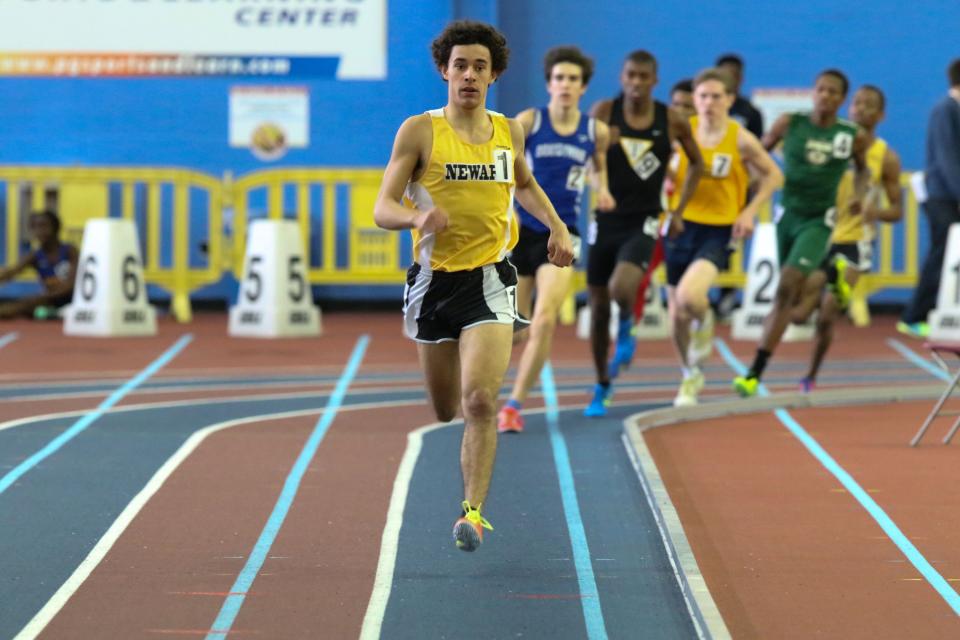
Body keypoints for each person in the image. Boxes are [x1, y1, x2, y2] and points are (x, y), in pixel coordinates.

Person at [373, 20, 573, 552]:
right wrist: (415, 219)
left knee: (481, 401)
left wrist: (556, 226)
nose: (468, 75)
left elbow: (524, 185)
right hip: (433, 285)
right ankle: (457, 389)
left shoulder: (510, 131)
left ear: (494, 75)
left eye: (479, 67)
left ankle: (473, 512)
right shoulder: (419, 130)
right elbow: (382, 207)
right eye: (459, 65)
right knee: (446, 410)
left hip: (491, 279)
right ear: (445, 70)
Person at [496, 46, 615, 434]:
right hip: (522, 233)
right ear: (549, 84)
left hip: (564, 235)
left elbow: (597, 169)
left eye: (573, 80)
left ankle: (513, 406)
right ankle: (485, 386)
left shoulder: (594, 131)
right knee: (514, 329)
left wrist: (604, 192)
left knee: (545, 319)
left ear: (583, 88)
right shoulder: (530, 121)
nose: (565, 85)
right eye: (559, 78)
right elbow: (504, 162)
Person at [733, 69, 869, 397]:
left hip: (818, 221)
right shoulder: (789, 124)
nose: (826, 96)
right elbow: (759, 154)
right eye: (821, 89)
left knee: (786, 284)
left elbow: (863, 169)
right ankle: (827, 274)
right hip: (787, 217)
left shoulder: (850, 135)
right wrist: (752, 179)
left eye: (834, 92)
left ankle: (754, 373)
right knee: (791, 304)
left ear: (841, 99)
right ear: (813, 92)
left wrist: (858, 197)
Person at [584, 50, 703, 417]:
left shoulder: (673, 120)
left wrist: (679, 210)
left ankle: (629, 326)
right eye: (630, 75)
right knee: (598, 307)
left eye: (643, 77)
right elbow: (588, 159)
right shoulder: (604, 112)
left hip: (645, 219)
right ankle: (602, 384)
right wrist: (599, 180)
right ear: (622, 77)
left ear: (655, 80)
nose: (636, 83)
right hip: (605, 219)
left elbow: (698, 163)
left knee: (623, 287)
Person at [665, 69, 782, 406]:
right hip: (681, 223)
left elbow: (774, 176)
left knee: (691, 296)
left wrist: (749, 211)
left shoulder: (740, 137)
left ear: (729, 100)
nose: (709, 103)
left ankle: (707, 317)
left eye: (716, 96)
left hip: (719, 227)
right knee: (675, 314)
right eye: (703, 96)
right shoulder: (682, 133)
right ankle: (689, 375)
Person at [791, 85, 902, 391]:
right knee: (800, 315)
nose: (860, 109)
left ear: (880, 115)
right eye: (857, 103)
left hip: (856, 240)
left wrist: (873, 213)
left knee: (828, 315)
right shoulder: (831, 144)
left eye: (869, 105)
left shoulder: (886, 157)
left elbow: (897, 211)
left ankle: (811, 375)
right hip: (822, 232)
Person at [898, 58, 960, 338]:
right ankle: (914, 315)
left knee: (949, 254)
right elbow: (948, 161)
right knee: (942, 251)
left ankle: (939, 309)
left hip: (952, 194)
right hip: (942, 196)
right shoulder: (945, 110)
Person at [629, 78, 696, 324]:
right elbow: (639, 172)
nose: (680, 111)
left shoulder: (705, 144)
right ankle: (630, 330)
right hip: (660, 220)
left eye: (688, 106)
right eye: (676, 104)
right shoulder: (660, 140)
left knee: (687, 290)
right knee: (639, 274)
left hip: (696, 222)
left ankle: (699, 321)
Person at [715, 54, 765, 320]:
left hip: (738, 188)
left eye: (734, 74)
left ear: (741, 78)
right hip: (708, 189)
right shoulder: (706, 108)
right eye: (724, 73)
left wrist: (755, 183)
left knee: (732, 243)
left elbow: (760, 153)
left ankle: (726, 296)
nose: (729, 78)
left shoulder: (750, 113)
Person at [0, 210, 78, 319]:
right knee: (18, 306)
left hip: (73, 300)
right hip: (50, 302)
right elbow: (11, 272)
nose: (39, 231)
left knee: (28, 303)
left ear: (56, 228)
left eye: (43, 226)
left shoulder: (70, 251)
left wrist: (42, 297)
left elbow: (71, 285)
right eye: (35, 227)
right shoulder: (35, 255)